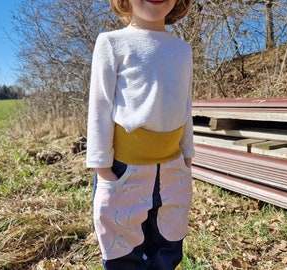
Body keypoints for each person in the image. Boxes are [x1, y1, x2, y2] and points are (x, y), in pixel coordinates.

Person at [86, 0, 194, 269]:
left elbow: (185, 103)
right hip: (124, 168)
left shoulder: (182, 50)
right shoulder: (112, 43)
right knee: (123, 247)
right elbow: (100, 105)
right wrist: (103, 169)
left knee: (168, 243)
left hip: (172, 168)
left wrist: (187, 156)